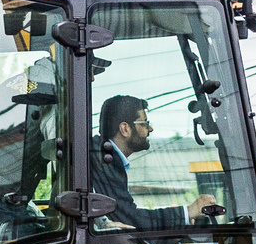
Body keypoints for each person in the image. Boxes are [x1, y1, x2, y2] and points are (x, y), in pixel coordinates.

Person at [92, 95, 223, 230]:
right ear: (125, 129)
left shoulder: (103, 155)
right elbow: (129, 219)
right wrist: (188, 211)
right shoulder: (102, 160)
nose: (150, 129)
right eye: (144, 123)